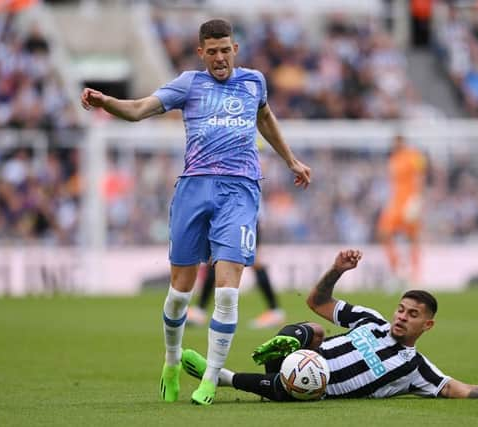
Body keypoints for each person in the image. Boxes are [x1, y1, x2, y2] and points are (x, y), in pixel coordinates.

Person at [80, 18, 311, 406]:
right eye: (213, 52)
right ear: (201, 52)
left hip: (240, 191)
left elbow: (265, 118)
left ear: (234, 50)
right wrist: (106, 103)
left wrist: (291, 160)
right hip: (193, 188)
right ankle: (171, 362)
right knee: (179, 293)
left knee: (226, 291)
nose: (220, 58)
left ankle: (209, 378)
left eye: (226, 50)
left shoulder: (254, 81)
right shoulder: (188, 84)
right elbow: (138, 110)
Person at [181, 249, 478, 401]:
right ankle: (281, 349)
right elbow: (318, 302)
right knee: (312, 330)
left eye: (412, 315)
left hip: (315, 389)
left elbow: (461, 389)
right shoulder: (371, 319)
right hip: (305, 361)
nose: (401, 316)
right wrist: (336, 271)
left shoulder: (415, 369)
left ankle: (221, 376)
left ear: (428, 325)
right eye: (401, 309)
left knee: (303, 384)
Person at [188, 222, 285, 329]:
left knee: (254, 260)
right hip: (227, 218)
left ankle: (274, 310)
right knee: (214, 259)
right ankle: (200, 310)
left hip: (244, 218)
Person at [377, 134, 426, 286]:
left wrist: (417, 199)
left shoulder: (414, 156)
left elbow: (421, 177)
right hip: (396, 203)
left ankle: (415, 277)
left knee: (413, 237)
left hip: (410, 202)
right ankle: (397, 271)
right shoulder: (393, 159)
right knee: (383, 233)